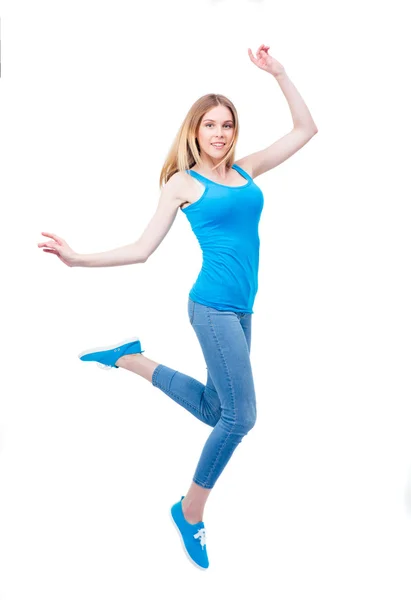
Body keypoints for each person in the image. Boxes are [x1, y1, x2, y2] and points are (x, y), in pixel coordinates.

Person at [37, 44, 318, 570]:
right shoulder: (182, 184)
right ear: (193, 130)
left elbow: (305, 130)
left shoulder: (247, 169)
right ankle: (190, 511)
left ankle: (129, 358)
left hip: (242, 310)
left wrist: (279, 73)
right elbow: (142, 250)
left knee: (218, 410)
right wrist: (77, 260)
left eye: (227, 125)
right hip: (210, 306)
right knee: (242, 417)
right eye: (210, 124)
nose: (219, 133)